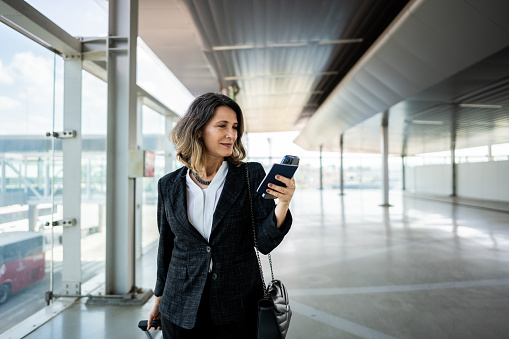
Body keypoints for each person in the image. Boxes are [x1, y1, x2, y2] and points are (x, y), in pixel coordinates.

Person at [147, 92, 295, 338]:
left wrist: (283, 204)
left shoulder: (250, 175)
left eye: (235, 127)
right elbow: (167, 247)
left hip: (237, 306)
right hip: (180, 306)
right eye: (222, 126)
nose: (232, 134)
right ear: (197, 130)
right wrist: (158, 299)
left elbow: (265, 243)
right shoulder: (168, 185)